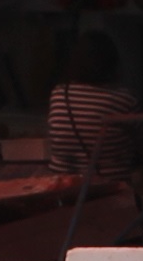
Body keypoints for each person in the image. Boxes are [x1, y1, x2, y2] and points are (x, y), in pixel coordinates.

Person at [44, 33, 137, 180]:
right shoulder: (124, 100)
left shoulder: (59, 93)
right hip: (110, 187)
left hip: (61, 188)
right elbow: (136, 144)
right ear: (113, 63)